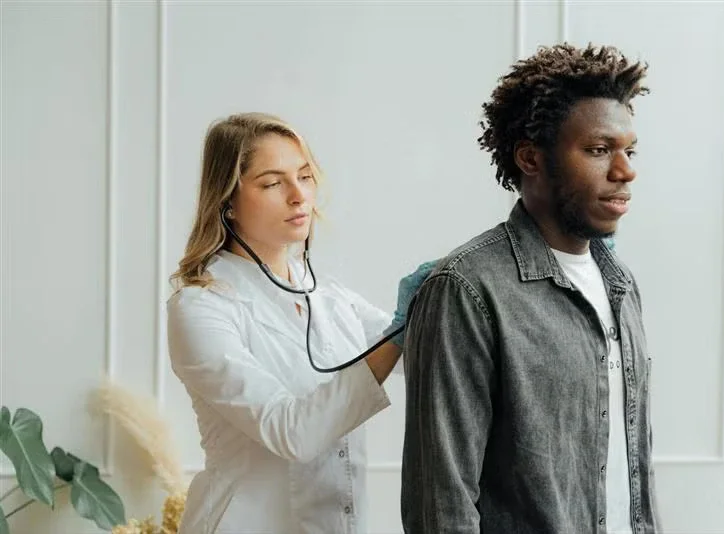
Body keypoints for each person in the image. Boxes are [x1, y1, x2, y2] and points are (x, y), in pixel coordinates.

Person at [400, 43, 661, 533]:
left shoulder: (620, 284)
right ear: (530, 158)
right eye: (599, 150)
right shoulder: (465, 290)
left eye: (630, 150)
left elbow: (632, 466)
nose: (626, 170)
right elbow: (441, 503)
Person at [167, 112, 434, 534]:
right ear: (227, 203)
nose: (299, 196)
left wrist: (454, 297)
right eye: (273, 183)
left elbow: (426, 355)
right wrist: (402, 330)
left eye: (305, 177)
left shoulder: (327, 297)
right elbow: (292, 431)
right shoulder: (201, 308)